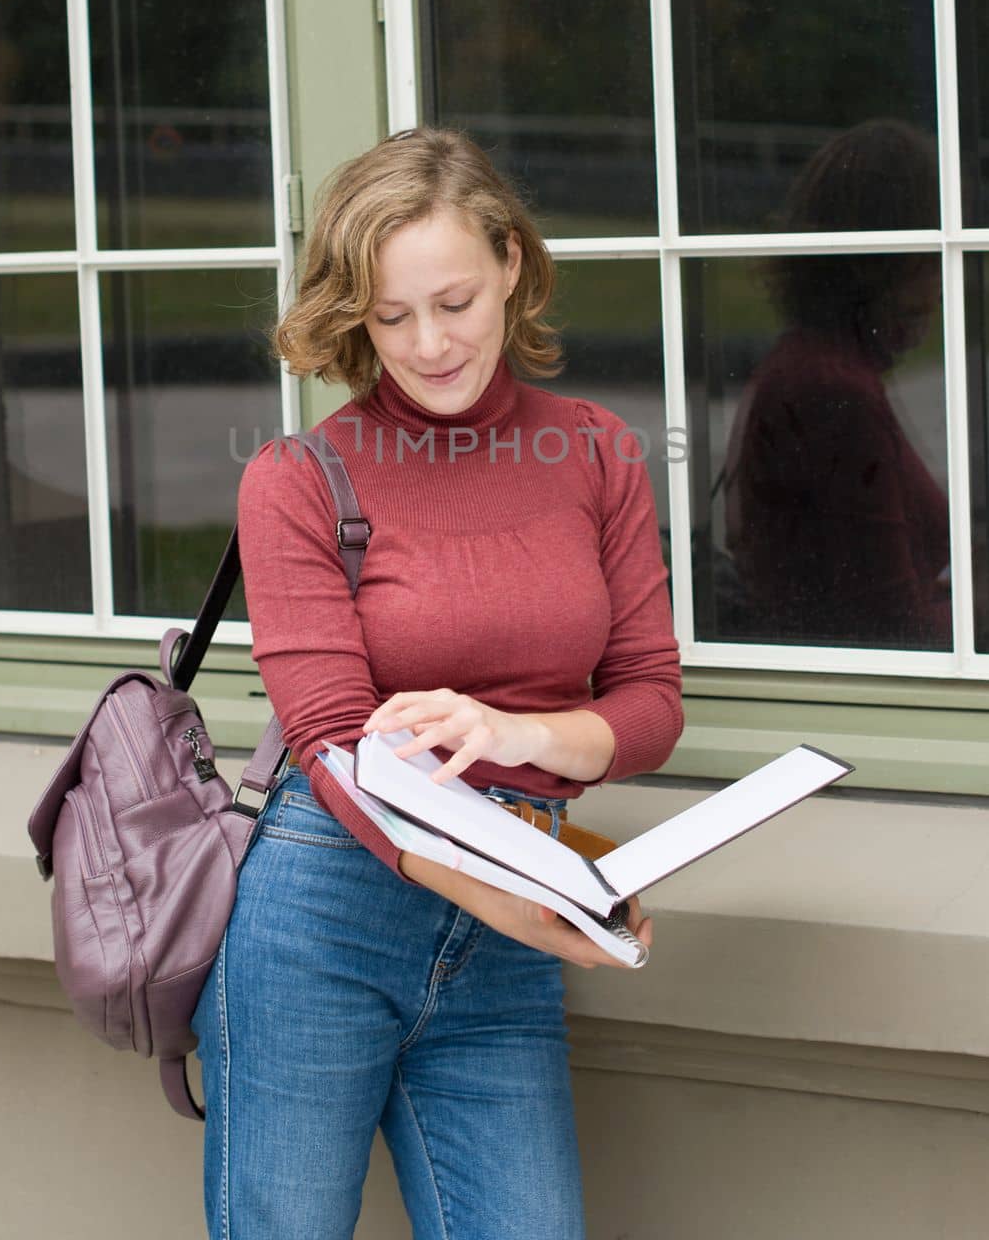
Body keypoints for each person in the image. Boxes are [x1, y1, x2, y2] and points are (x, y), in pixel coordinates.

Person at [192, 126, 683, 1239]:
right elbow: (324, 732)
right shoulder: (295, 477)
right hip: (327, 913)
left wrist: (520, 738)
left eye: (453, 301)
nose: (427, 343)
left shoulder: (596, 453)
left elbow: (649, 701)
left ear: (511, 262)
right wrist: (491, 884)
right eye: (388, 314)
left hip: (510, 918)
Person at [721, 119, 949, 648]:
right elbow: (889, 628)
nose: (944, 281)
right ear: (891, 265)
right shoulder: (832, 388)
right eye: (934, 256)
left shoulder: (824, 365)